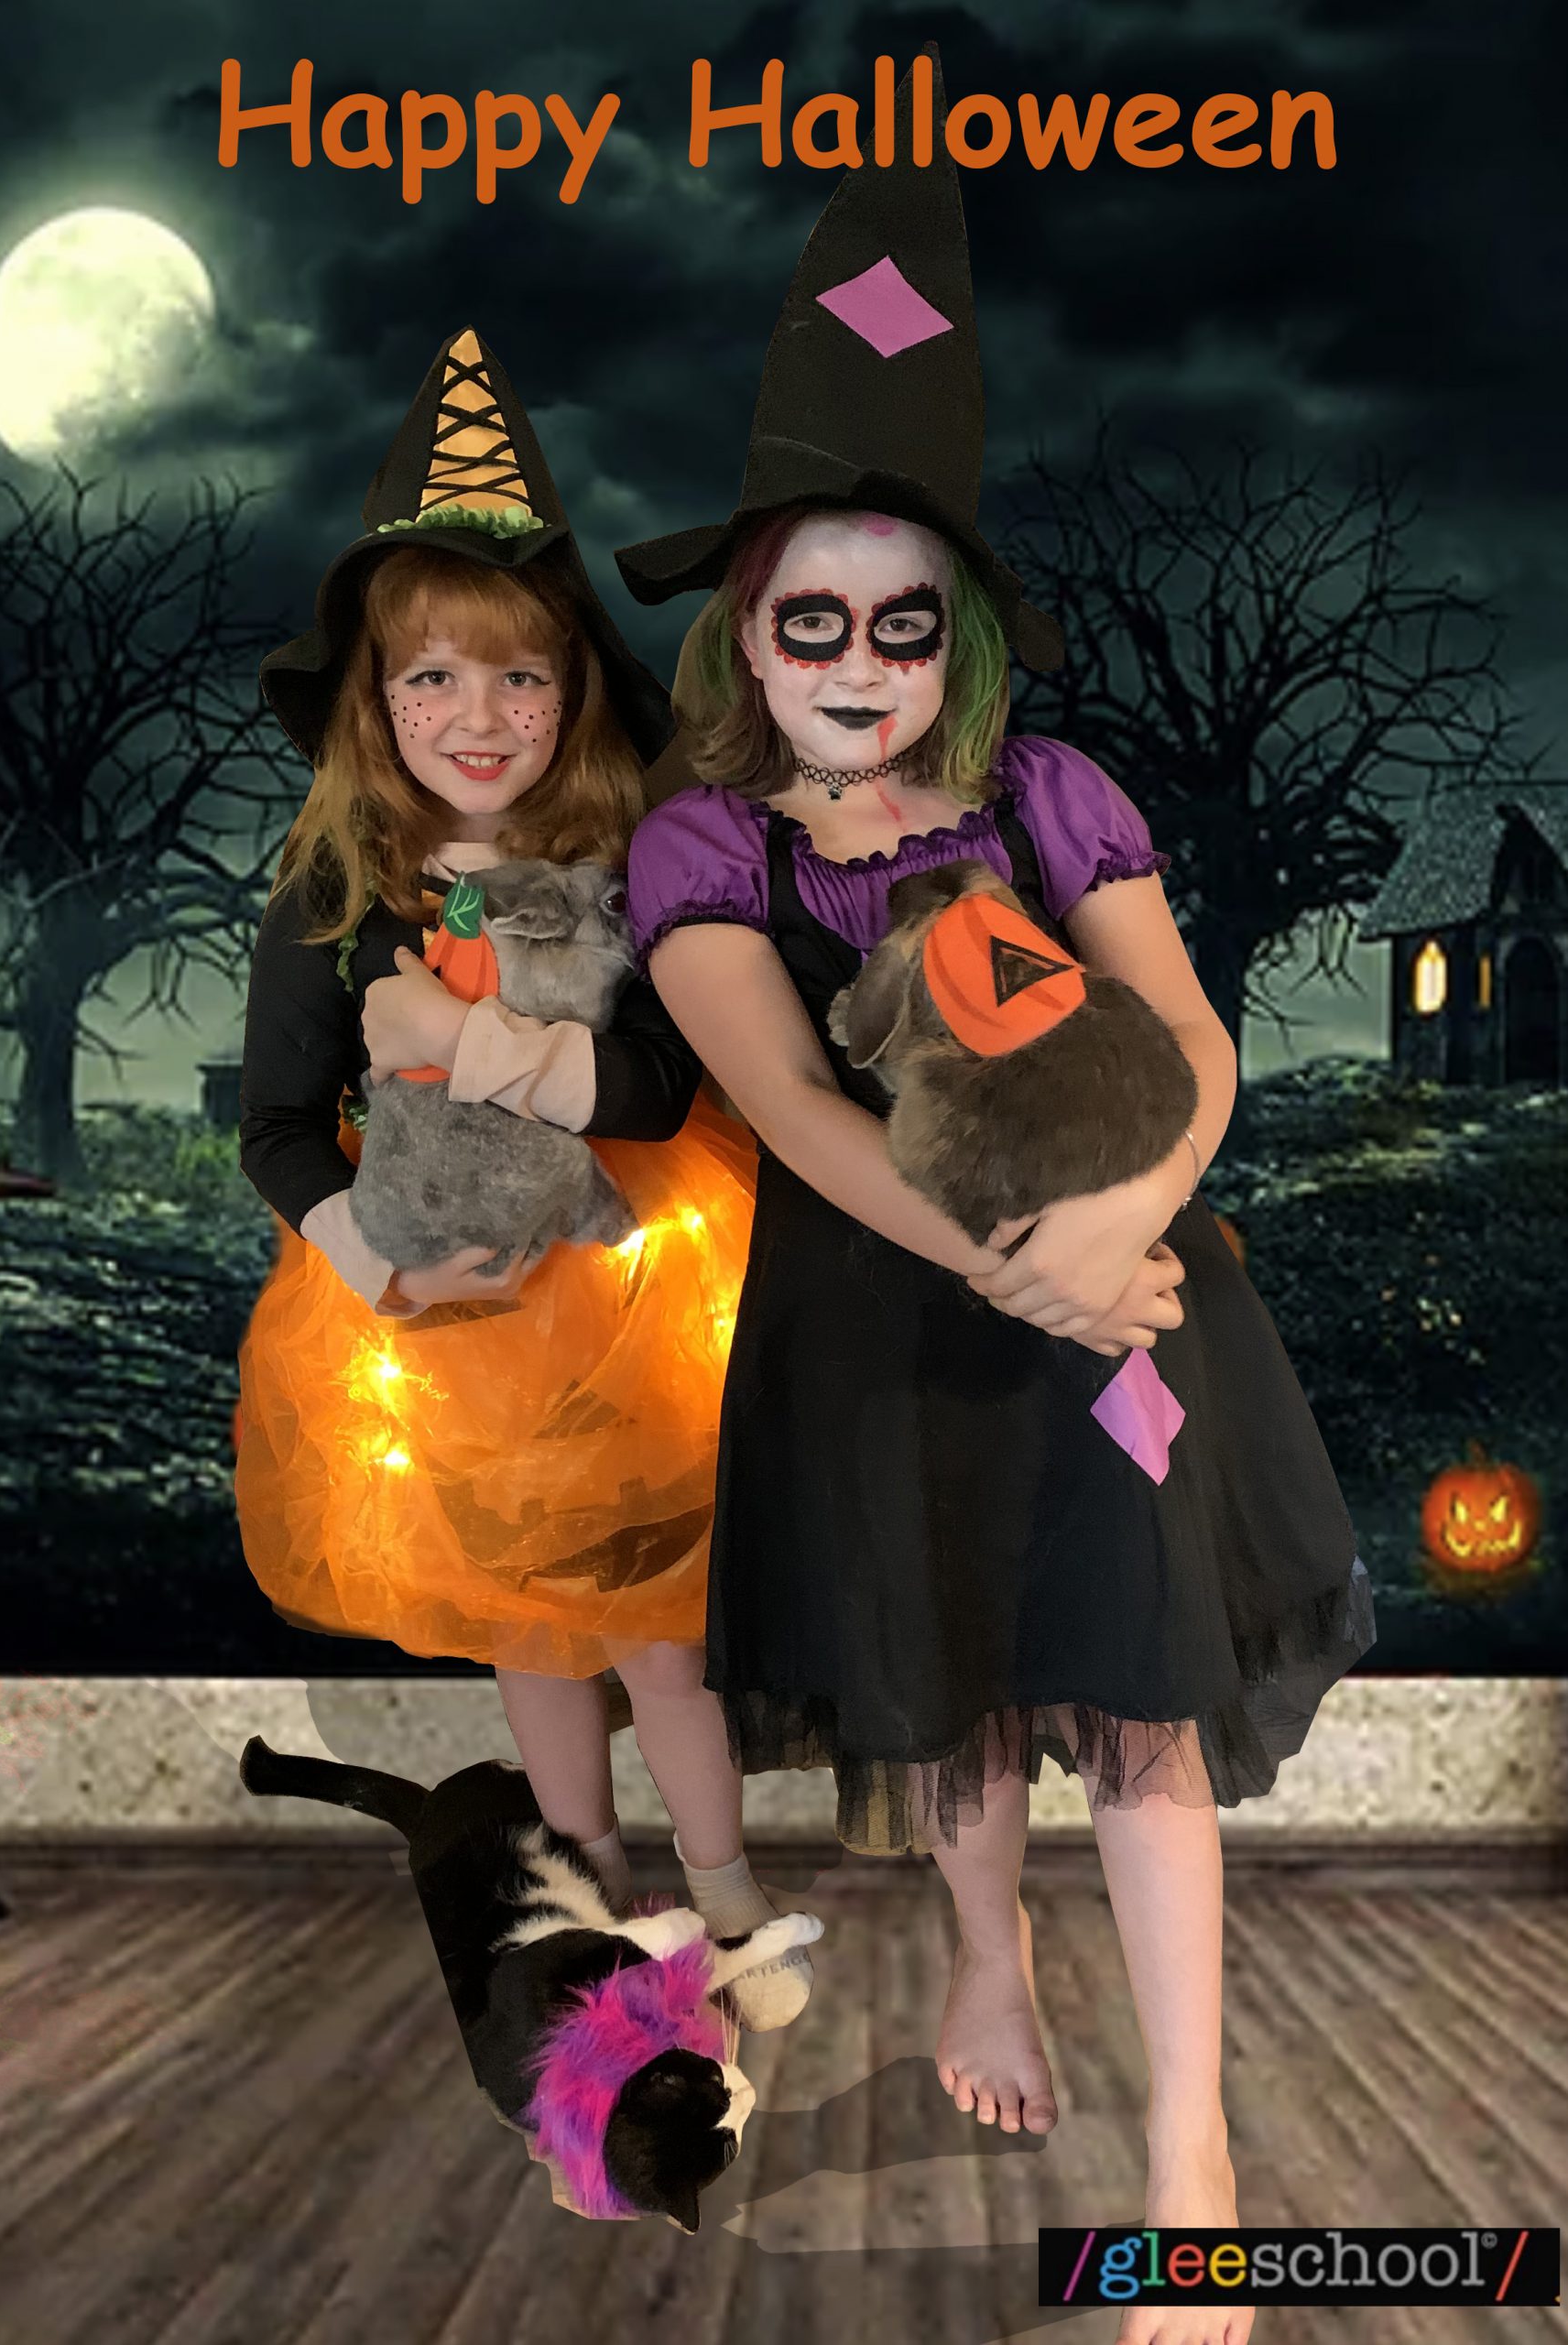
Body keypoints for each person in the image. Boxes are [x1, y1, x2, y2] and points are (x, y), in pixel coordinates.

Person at [615, 64, 1371, 2341]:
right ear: (741, 637)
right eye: (810, 623)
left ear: (958, 640)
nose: (857, 664)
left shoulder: (1049, 793)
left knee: (1137, 1699)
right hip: (887, 1323)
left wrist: (1115, 1227)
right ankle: (983, 1948)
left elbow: (1193, 1039)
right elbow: (787, 1105)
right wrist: (998, 1266)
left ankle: (1189, 2155)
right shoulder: (702, 847)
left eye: (903, 624)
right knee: (941, 1685)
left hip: (1126, 1300)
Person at [234, 326, 811, 2024]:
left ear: (572, 693)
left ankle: (724, 1890)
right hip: (444, 1314)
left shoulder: (628, 864)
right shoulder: (336, 893)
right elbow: (277, 1124)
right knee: (529, 1626)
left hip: (634, 1285)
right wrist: (378, 1265)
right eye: (430, 679)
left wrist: (501, 1051)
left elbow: (667, 1079)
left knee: (655, 1626)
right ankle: (588, 1887)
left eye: (520, 680)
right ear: (372, 697)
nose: (477, 720)